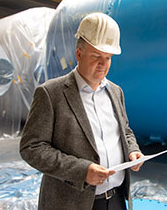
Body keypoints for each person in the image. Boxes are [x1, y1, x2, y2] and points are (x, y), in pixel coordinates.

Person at [20, 12, 144, 210]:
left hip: (117, 199)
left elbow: (125, 131)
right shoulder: (51, 94)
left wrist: (133, 151)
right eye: (96, 57)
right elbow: (31, 148)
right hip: (72, 202)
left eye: (108, 57)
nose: (103, 65)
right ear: (79, 54)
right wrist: (81, 170)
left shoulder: (115, 92)